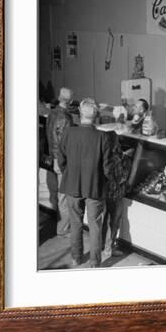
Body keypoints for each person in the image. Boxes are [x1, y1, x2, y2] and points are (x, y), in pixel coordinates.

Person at [57, 99, 113, 267]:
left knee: (75, 223)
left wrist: (70, 172)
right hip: (94, 187)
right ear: (95, 116)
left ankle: (76, 257)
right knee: (95, 225)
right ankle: (95, 262)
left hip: (72, 185)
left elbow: (61, 159)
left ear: (80, 114)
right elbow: (107, 168)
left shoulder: (68, 133)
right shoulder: (102, 137)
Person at [45, 87, 74, 236]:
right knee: (64, 195)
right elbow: (63, 141)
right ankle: (62, 229)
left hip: (52, 157)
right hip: (61, 160)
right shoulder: (66, 118)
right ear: (70, 101)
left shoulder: (52, 113)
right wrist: (59, 160)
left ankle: (61, 226)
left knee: (57, 194)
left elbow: (50, 136)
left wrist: (53, 157)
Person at [101, 131, 135, 258]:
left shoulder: (103, 154)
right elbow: (121, 177)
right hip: (115, 194)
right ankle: (109, 249)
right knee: (114, 222)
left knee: (103, 221)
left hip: (102, 193)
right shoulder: (117, 158)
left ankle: (102, 245)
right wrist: (127, 158)